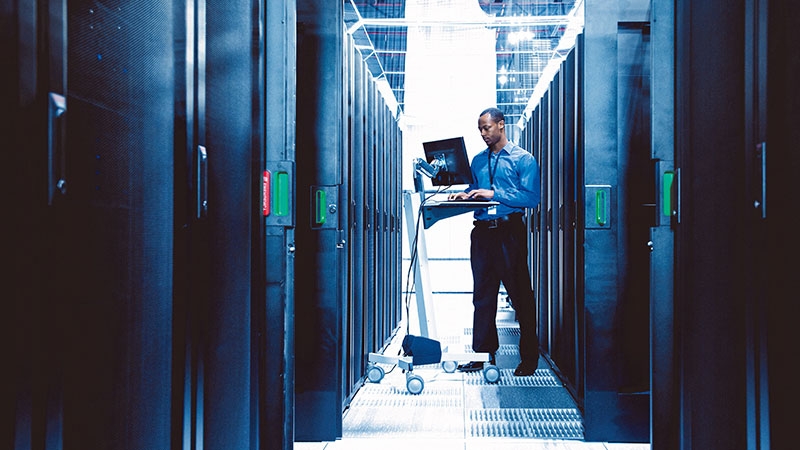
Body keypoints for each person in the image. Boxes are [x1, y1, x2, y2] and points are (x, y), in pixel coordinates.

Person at [448, 107, 540, 376]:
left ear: (501, 125)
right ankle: (482, 355)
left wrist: (493, 193)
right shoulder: (478, 160)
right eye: (480, 129)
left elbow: (531, 197)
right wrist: (465, 195)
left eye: (486, 128)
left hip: (509, 231)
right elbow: (473, 188)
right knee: (482, 296)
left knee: (520, 293)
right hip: (482, 233)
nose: (482, 133)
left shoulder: (523, 159)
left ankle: (529, 358)